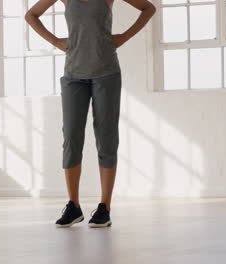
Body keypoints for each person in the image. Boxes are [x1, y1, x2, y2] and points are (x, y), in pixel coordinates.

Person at [26, 0, 155, 228]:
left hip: (106, 73)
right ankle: (73, 206)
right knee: (71, 137)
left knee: (106, 137)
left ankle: (104, 207)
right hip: (73, 74)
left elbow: (148, 8)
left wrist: (123, 37)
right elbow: (31, 15)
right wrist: (56, 41)